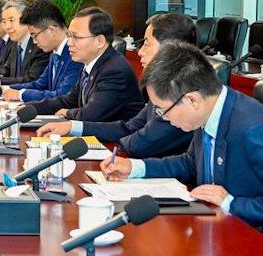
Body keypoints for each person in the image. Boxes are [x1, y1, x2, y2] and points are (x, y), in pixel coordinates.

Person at [100, 41, 263, 244]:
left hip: (254, 245)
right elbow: (190, 163)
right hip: (213, 230)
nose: (163, 118)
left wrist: (231, 203)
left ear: (192, 99)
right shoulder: (210, 112)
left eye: (162, 110)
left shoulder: (253, 129)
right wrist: (135, 168)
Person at [36, 11, 195, 157]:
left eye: (146, 44)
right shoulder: (163, 84)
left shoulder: (184, 93)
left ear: (171, 49)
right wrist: (72, 126)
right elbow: (128, 128)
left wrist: (71, 119)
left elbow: (139, 144)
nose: (140, 52)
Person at [22, 7, 142, 122]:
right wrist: (29, 107)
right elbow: (68, 101)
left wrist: (68, 113)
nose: (69, 43)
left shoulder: (114, 70)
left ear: (100, 41)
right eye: (69, 36)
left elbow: (91, 114)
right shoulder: (89, 65)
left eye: (76, 37)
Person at [1, 0, 81, 102]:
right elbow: (39, 84)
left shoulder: (75, 54)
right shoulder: (55, 53)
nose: (34, 42)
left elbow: (63, 95)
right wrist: (6, 89)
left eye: (35, 35)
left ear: (51, 30)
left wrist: (21, 95)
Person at [0, 0, 49, 86]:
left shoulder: (39, 45)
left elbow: (32, 79)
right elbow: (8, 68)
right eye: (4, 22)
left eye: (11, 20)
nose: (7, 26)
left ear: (26, 19)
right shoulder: (16, 42)